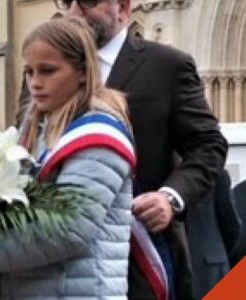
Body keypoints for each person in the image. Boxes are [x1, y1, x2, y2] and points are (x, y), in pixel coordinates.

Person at [0, 17, 135, 299]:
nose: (35, 83)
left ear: (84, 71)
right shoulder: (36, 130)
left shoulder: (98, 134)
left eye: (47, 71)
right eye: (29, 72)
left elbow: (68, 230)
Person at [54, 0, 228, 299]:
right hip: (59, 262)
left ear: (121, 7)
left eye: (86, 2)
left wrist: (170, 198)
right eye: (66, 2)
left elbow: (207, 145)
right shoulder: (47, 69)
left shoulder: (167, 66)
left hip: (141, 263)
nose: (73, 12)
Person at [186, 169, 241, 299]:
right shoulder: (215, 173)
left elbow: (232, 228)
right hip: (211, 268)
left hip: (208, 272)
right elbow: (231, 226)